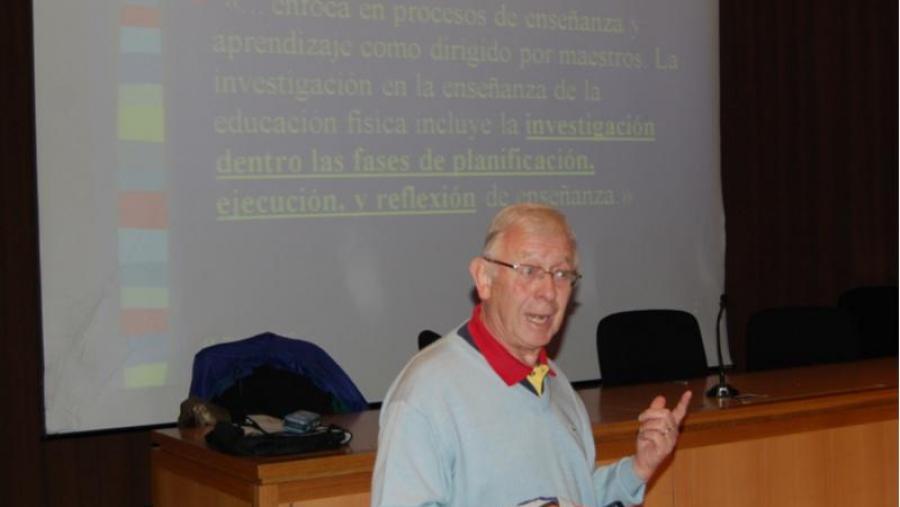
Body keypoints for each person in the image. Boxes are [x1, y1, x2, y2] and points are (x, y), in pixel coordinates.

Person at [372, 203, 691, 507]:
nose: (548, 292)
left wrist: (639, 468)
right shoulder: (425, 395)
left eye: (562, 274)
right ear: (484, 279)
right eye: (528, 271)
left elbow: (576, 495)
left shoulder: (554, 382)